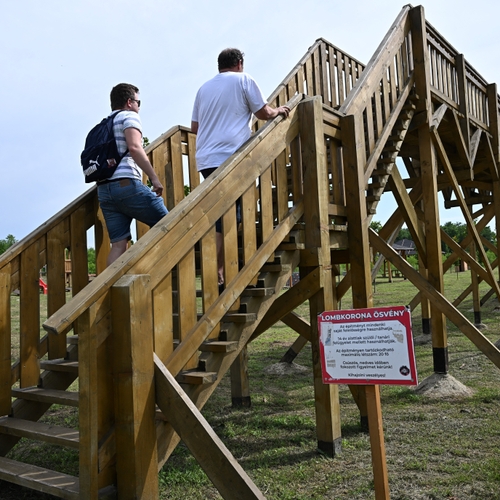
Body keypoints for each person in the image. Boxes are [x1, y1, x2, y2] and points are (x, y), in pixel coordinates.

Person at [191, 48, 290, 287]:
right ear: (239, 63)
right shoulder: (244, 79)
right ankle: (221, 271)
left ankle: (217, 268)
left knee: (220, 215)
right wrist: (278, 111)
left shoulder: (203, 89)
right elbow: (263, 112)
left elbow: (195, 128)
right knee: (232, 216)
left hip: (207, 158)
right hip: (231, 157)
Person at [97, 83, 168, 266]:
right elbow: (135, 148)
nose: (138, 106)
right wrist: (154, 178)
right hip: (126, 185)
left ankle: (108, 290)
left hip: (104, 190)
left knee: (118, 245)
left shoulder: (104, 124)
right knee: (170, 223)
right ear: (129, 102)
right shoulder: (129, 116)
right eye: (138, 102)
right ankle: (154, 269)